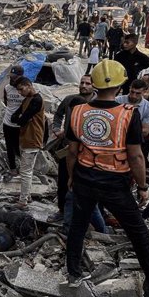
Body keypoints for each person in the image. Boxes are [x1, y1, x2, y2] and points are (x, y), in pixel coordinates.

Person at [65, 59, 149, 292]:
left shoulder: (77, 111)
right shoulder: (128, 115)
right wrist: (143, 186)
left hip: (84, 176)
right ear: (120, 86)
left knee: (78, 225)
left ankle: (73, 272)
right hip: (115, 182)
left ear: (94, 84)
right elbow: (136, 156)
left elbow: (72, 151)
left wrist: (71, 177)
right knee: (137, 231)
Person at [49, 74, 97, 223]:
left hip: (89, 150)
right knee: (63, 180)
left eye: (87, 83)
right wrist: (57, 129)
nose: (83, 85)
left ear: (94, 85)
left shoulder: (99, 103)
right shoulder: (70, 99)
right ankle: (62, 210)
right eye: (82, 82)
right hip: (68, 146)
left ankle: (91, 216)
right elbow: (58, 115)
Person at [10, 77, 46, 207]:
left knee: (26, 172)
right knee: (26, 170)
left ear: (29, 85)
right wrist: (21, 119)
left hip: (32, 139)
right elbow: (14, 117)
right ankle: (26, 196)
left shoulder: (37, 100)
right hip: (25, 138)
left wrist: (22, 119)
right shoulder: (27, 100)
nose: (20, 93)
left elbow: (21, 119)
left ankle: (23, 200)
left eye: (21, 89)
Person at [117, 79, 149, 167]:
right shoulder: (118, 101)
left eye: (138, 93)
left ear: (145, 92)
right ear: (129, 88)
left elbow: (145, 131)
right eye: (132, 92)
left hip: (134, 143)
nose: (133, 96)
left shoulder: (148, 107)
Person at [2, 65, 25, 174]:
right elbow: (7, 103)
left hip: (20, 124)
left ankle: (23, 167)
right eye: (11, 76)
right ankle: (13, 168)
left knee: (20, 147)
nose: (12, 79)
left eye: (15, 77)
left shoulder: (26, 89)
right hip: (7, 122)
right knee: (9, 147)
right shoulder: (7, 88)